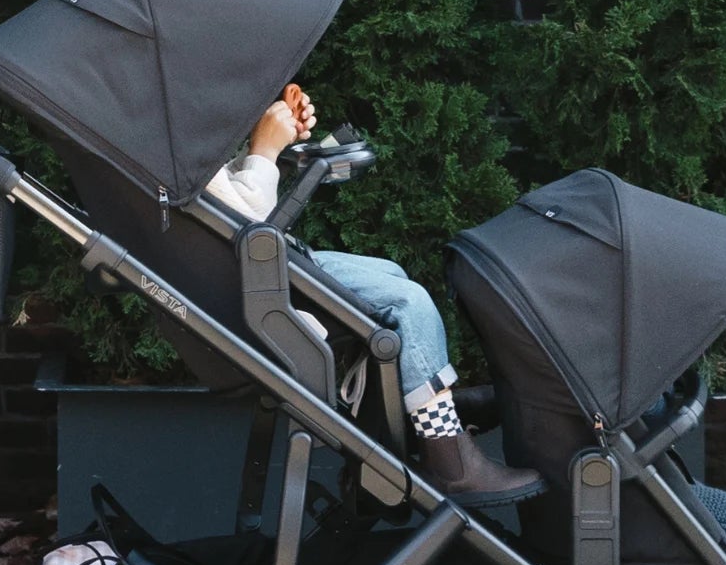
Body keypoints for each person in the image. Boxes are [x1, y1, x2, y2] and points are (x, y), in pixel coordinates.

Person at [206, 84, 544, 508]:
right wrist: (264, 150)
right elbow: (248, 223)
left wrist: (271, 138)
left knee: (391, 275)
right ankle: (452, 464)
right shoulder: (169, 154)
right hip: (260, 287)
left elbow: (221, 205)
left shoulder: (160, 152)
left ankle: (422, 414)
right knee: (406, 301)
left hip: (255, 271)